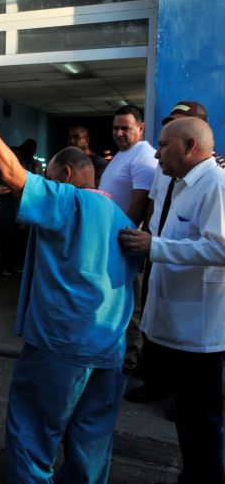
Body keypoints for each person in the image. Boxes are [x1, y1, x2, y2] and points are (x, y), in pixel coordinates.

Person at [0, 83, 141, 483]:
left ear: (66, 175)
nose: (45, 182)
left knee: (33, 432)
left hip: (61, 347)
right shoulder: (120, 218)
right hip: (108, 348)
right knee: (90, 441)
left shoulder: (68, 202)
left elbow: (10, 173)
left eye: (50, 176)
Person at [119, 116, 225, 484]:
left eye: (164, 145)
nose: (158, 152)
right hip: (176, 324)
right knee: (188, 414)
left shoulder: (215, 185)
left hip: (202, 333)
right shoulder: (177, 182)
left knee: (203, 419)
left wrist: (156, 246)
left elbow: (220, 248)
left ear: (190, 147)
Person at [98, 104, 157, 372]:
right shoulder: (123, 155)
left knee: (130, 306)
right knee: (117, 303)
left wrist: (120, 239)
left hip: (126, 243)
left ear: (141, 128)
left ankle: (131, 362)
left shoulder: (143, 157)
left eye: (126, 128)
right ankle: (120, 356)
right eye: (116, 128)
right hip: (114, 242)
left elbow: (139, 203)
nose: (119, 133)